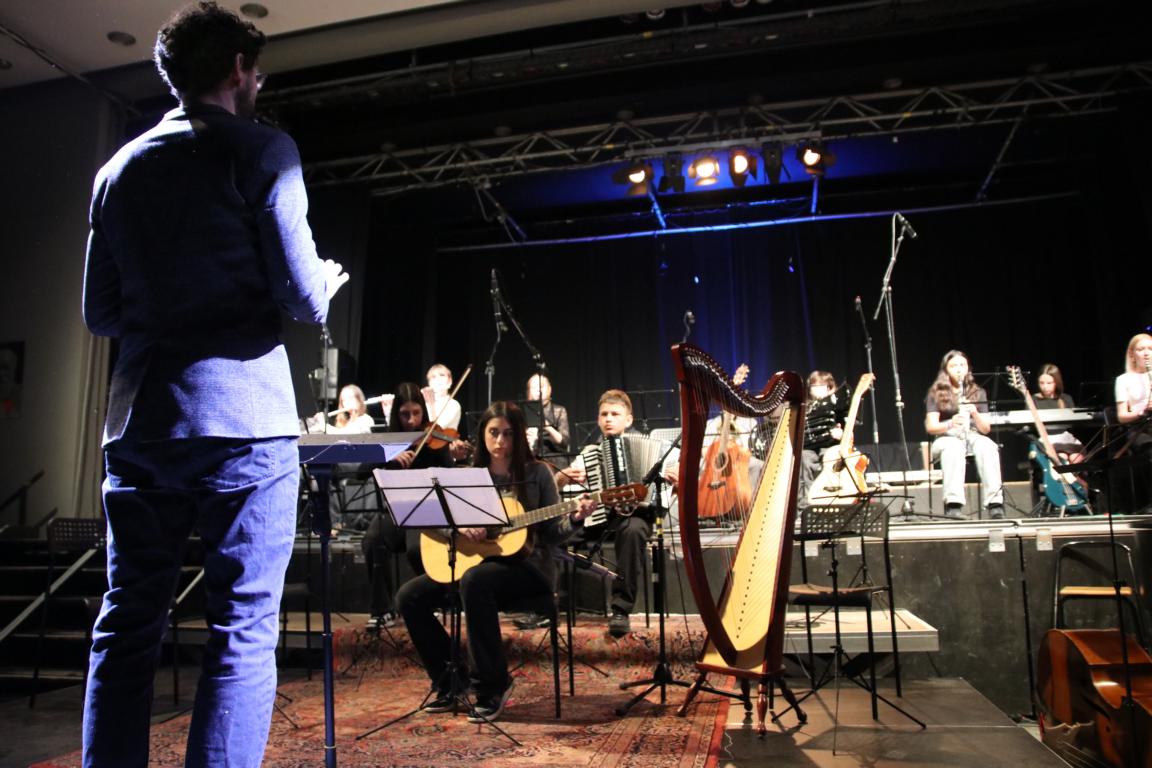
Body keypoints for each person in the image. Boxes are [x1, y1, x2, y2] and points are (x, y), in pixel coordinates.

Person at [80, 3, 349, 766]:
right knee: (242, 627)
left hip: (142, 425)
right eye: (256, 73)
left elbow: (101, 314)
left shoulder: (117, 170)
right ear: (238, 70)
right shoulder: (263, 149)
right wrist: (325, 282)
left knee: (127, 622)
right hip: (244, 422)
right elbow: (299, 296)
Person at [395, 401, 595, 722]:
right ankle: (450, 681)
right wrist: (458, 528)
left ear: (519, 436)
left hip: (529, 570)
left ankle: (492, 686)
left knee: (476, 580)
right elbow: (430, 519)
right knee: (410, 596)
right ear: (482, 434)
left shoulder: (537, 474)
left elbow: (552, 534)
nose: (500, 441)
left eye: (508, 433)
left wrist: (574, 519)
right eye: (493, 432)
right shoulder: (468, 476)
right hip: (472, 564)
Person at [560, 389, 677, 637]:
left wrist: (676, 480)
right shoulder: (590, 453)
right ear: (598, 419)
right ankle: (544, 604)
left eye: (615, 414)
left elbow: (671, 485)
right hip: (598, 518)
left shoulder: (656, 449)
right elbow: (563, 484)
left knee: (633, 531)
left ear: (628, 419)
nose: (608, 419)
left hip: (635, 517)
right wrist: (563, 478)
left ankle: (621, 610)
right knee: (553, 534)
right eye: (604, 414)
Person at [361, 382, 468, 628]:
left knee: (416, 548)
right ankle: (383, 610)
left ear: (423, 411)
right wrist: (387, 456)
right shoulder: (388, 441)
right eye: (405, 414)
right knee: (373, 540)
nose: (411, 421)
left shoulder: (434, 438)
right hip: (396, 511)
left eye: (416, 413)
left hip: (427, 512)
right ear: (396, 415)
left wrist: (455, 456)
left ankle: (432, 603)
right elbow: (360, 471)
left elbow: (449, 475)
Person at [924, 350, 1004, 519]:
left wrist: (974, 413)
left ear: (968, 368)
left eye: (962, 365)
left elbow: (985, 429)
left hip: (971, 434)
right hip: (946, 437)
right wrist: (950, 423)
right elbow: (931, 427)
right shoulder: (936, 392)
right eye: (954, 366)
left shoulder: (978, 392)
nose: (959, 369)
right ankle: (953, 505)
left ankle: (995, 504)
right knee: (953, 448)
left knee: (987, 445)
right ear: (946, 370)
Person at [798, 371, 849, 506]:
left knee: (831, 457)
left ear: (829, 387)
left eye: (820, 385)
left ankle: (833, 499)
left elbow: (848, 428)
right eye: (813, 386)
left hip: (831, 446)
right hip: (810, 448)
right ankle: (807, 503)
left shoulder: (838, 405)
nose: (815, 389)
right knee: (803, 457)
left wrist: (841, 433)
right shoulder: (805, 408)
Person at [1113, 333, 1152, 512]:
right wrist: (1142, 411)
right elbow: (1122, 416)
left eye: (1150, 349)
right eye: (1141, 349)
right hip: (1139, 428)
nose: (1146, 353)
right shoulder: (1124, 380)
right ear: (1132, 354)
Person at [525, 373, 571, 469]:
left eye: (541, 386)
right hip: (530, 460)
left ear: (550, 389)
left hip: (555, 461)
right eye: (534, 387)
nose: (538, 390)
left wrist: (547, 426)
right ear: (529, 391)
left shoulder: (559, 410)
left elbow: (564, 442)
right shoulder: (524, 412)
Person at [422, 362, 462, 431]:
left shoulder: (453, 404)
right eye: (433, 377)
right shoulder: (424, 403)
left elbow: (437, 429)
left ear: (450, 381)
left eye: (442, 375)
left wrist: (431, 406)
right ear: (429, 383)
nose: (438, 379)